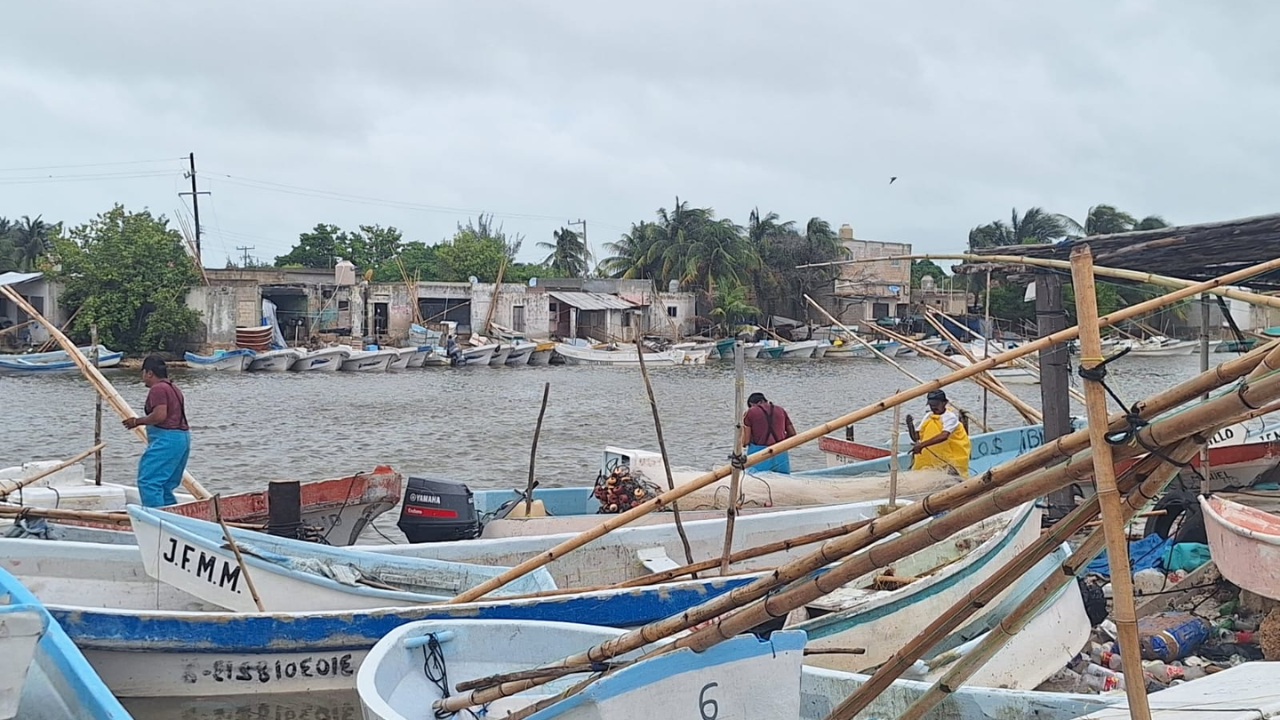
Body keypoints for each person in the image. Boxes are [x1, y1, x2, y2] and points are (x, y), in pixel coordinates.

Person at [122, 355, 190, 507]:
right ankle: (171, 517)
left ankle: (156, 520)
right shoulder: (173, 388)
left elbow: (159, 416)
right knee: (165, 485)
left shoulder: (158, 389)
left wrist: (136, 421)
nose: (143, 378)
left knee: (148, 482)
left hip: (167, 439)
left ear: (149, 373)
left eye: (144, 373)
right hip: (182, 439)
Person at [910, 389, 971, 476]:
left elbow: (944, 435)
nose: (934, 408)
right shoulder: (928, 416)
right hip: (930, 458)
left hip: (947, 458)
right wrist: (911, 426)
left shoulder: (950, 417)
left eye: (936, 405)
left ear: (944, 403)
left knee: (952, 478)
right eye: (931, 405)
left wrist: (922, 445)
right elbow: (917, 437)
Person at [741, 392, 797, 474]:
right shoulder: (781, 410)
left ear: (751, 404)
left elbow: (745, 441)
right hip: (780, 452)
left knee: (757, 482)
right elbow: (792, 433)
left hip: (759, 455)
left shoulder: (750, 412)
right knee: (783, 481)